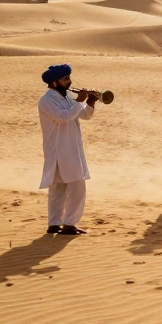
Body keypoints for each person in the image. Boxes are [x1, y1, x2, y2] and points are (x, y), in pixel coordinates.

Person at [38, 64, 97, 235]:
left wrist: (90, 103)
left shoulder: (67, 97)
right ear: (54, 82)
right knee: (74, 185)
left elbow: (84, 115)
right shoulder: (46, 100)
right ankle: (68, 224)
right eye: (66, 79)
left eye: (69, 78)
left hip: (70, 148)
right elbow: (63, 118)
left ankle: (55, 223)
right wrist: (80, 101)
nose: (70, 82)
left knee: (61, 187)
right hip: (59, 150)